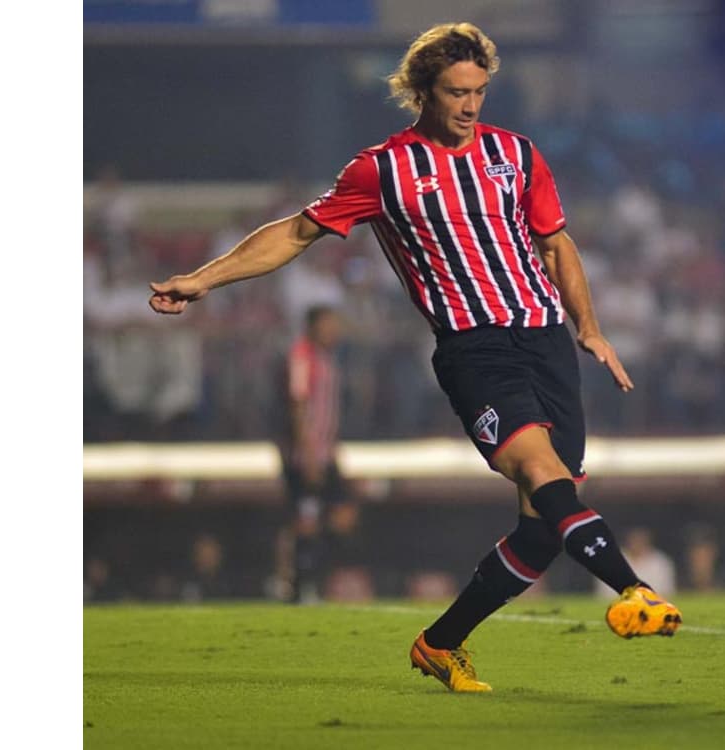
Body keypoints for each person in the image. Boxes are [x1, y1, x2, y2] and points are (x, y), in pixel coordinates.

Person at [148, 22, 681, 693]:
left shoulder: (516, 154)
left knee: (544, 530)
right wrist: (203, 278)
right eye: (457, 92)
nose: (470, 105)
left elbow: (555, 243)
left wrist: (589, 325)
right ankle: (633, 589)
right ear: (423, 91)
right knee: (542, 470)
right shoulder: (383, 168)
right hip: (474, 348)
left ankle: (439, 644)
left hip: (545, 340)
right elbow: (295, 232)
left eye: (480, 91)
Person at [278, 305, 352, 603]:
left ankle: (316, 579)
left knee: (341, 515)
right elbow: (298, 404)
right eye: (328, 323)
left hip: (325, 453)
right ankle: (298, 585)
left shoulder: (327, 358)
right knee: (305, 520)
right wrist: (307, 454)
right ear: (313, 326)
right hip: (305, 455)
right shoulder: (301, 355)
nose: (334, 329)